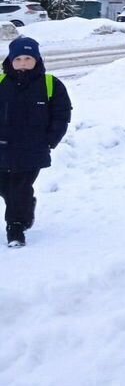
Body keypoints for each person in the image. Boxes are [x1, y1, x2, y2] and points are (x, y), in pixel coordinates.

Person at [0, 36, 72, 247]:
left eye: (28, 58)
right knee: (5, 188)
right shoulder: (2, 83)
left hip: (32, 149)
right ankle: (25, 207)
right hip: (2, 147)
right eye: (18, 58)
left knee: (19, 188)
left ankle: (15, 227)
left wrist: (50, 141)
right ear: (10, 61)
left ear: (37, 60)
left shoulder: (51, 84)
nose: (23, 63)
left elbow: (61, 114)